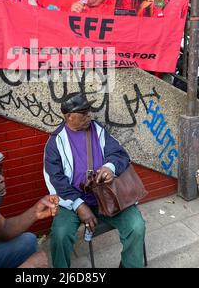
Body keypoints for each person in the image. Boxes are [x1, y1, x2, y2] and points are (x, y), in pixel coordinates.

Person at [44, 92, 146, 268]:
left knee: (136, 226)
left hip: (106, 196)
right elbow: (56, 180)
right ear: (69, 116)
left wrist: (110, 167)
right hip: (72, 202)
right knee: (60, 234)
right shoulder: (55, 142)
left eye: (89, 110)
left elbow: (119, 154)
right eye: (83, 112)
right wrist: (78, 205)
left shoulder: (97, 130)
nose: (89, 115)